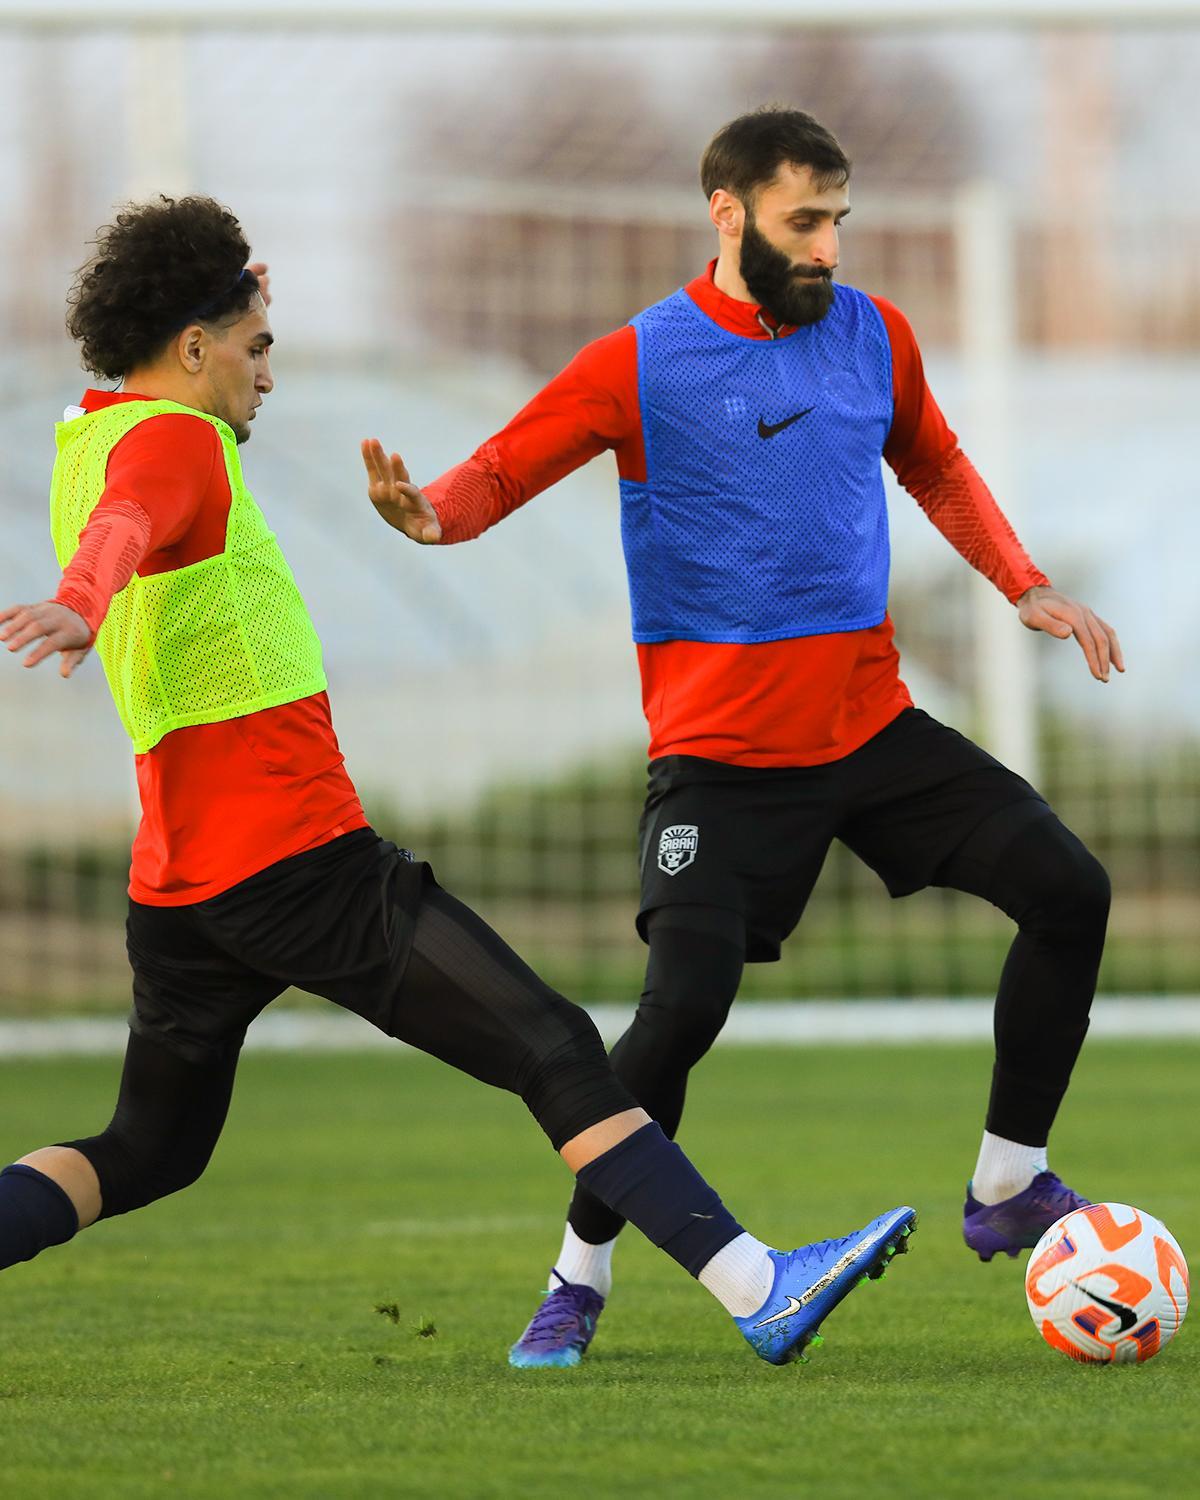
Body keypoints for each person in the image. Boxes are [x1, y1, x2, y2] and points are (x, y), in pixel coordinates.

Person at [0, 193, 915, 1372]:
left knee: (148, 1149)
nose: (267, 376)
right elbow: (129, 523)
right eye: (255, 346)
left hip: (181, 886)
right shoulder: (175, 442)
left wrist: (90, 585)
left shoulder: (82, 438)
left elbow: (121, 506)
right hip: (293, 861)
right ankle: (757, 1285)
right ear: (191, 347)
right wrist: (81, 601)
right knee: (552, 1043)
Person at [361, 106, 1120, 1371]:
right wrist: (429, 517)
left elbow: (935, 464)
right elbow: (500, 472)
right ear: (728, 213)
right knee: (678, 1017)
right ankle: (577, 1276)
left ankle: (1006, 1183)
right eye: (803, 221)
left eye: (838, 221)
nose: (828, 247)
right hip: (719, 760)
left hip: (870, 727)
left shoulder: (875, 335)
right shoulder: (640, 360)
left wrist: (1022, 583)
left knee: (1070, 891)